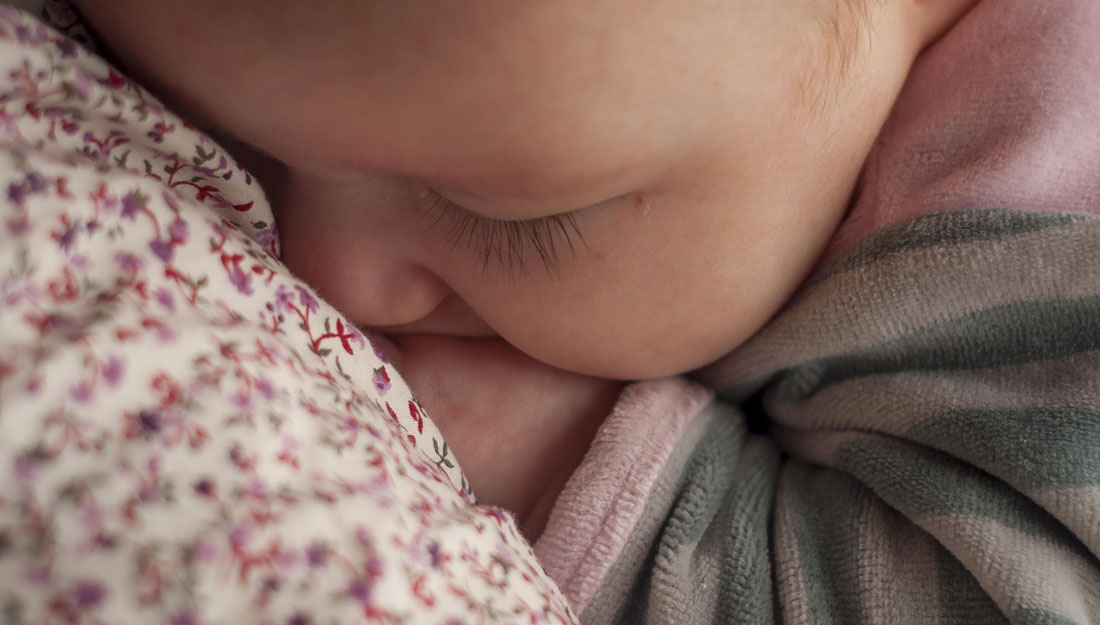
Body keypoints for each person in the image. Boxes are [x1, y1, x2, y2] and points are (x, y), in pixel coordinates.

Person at [10, 0, 1100, 622]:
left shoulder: (1050, 221)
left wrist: (558, 456)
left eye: (505, 214)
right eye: (236, 137)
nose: (327, 278)